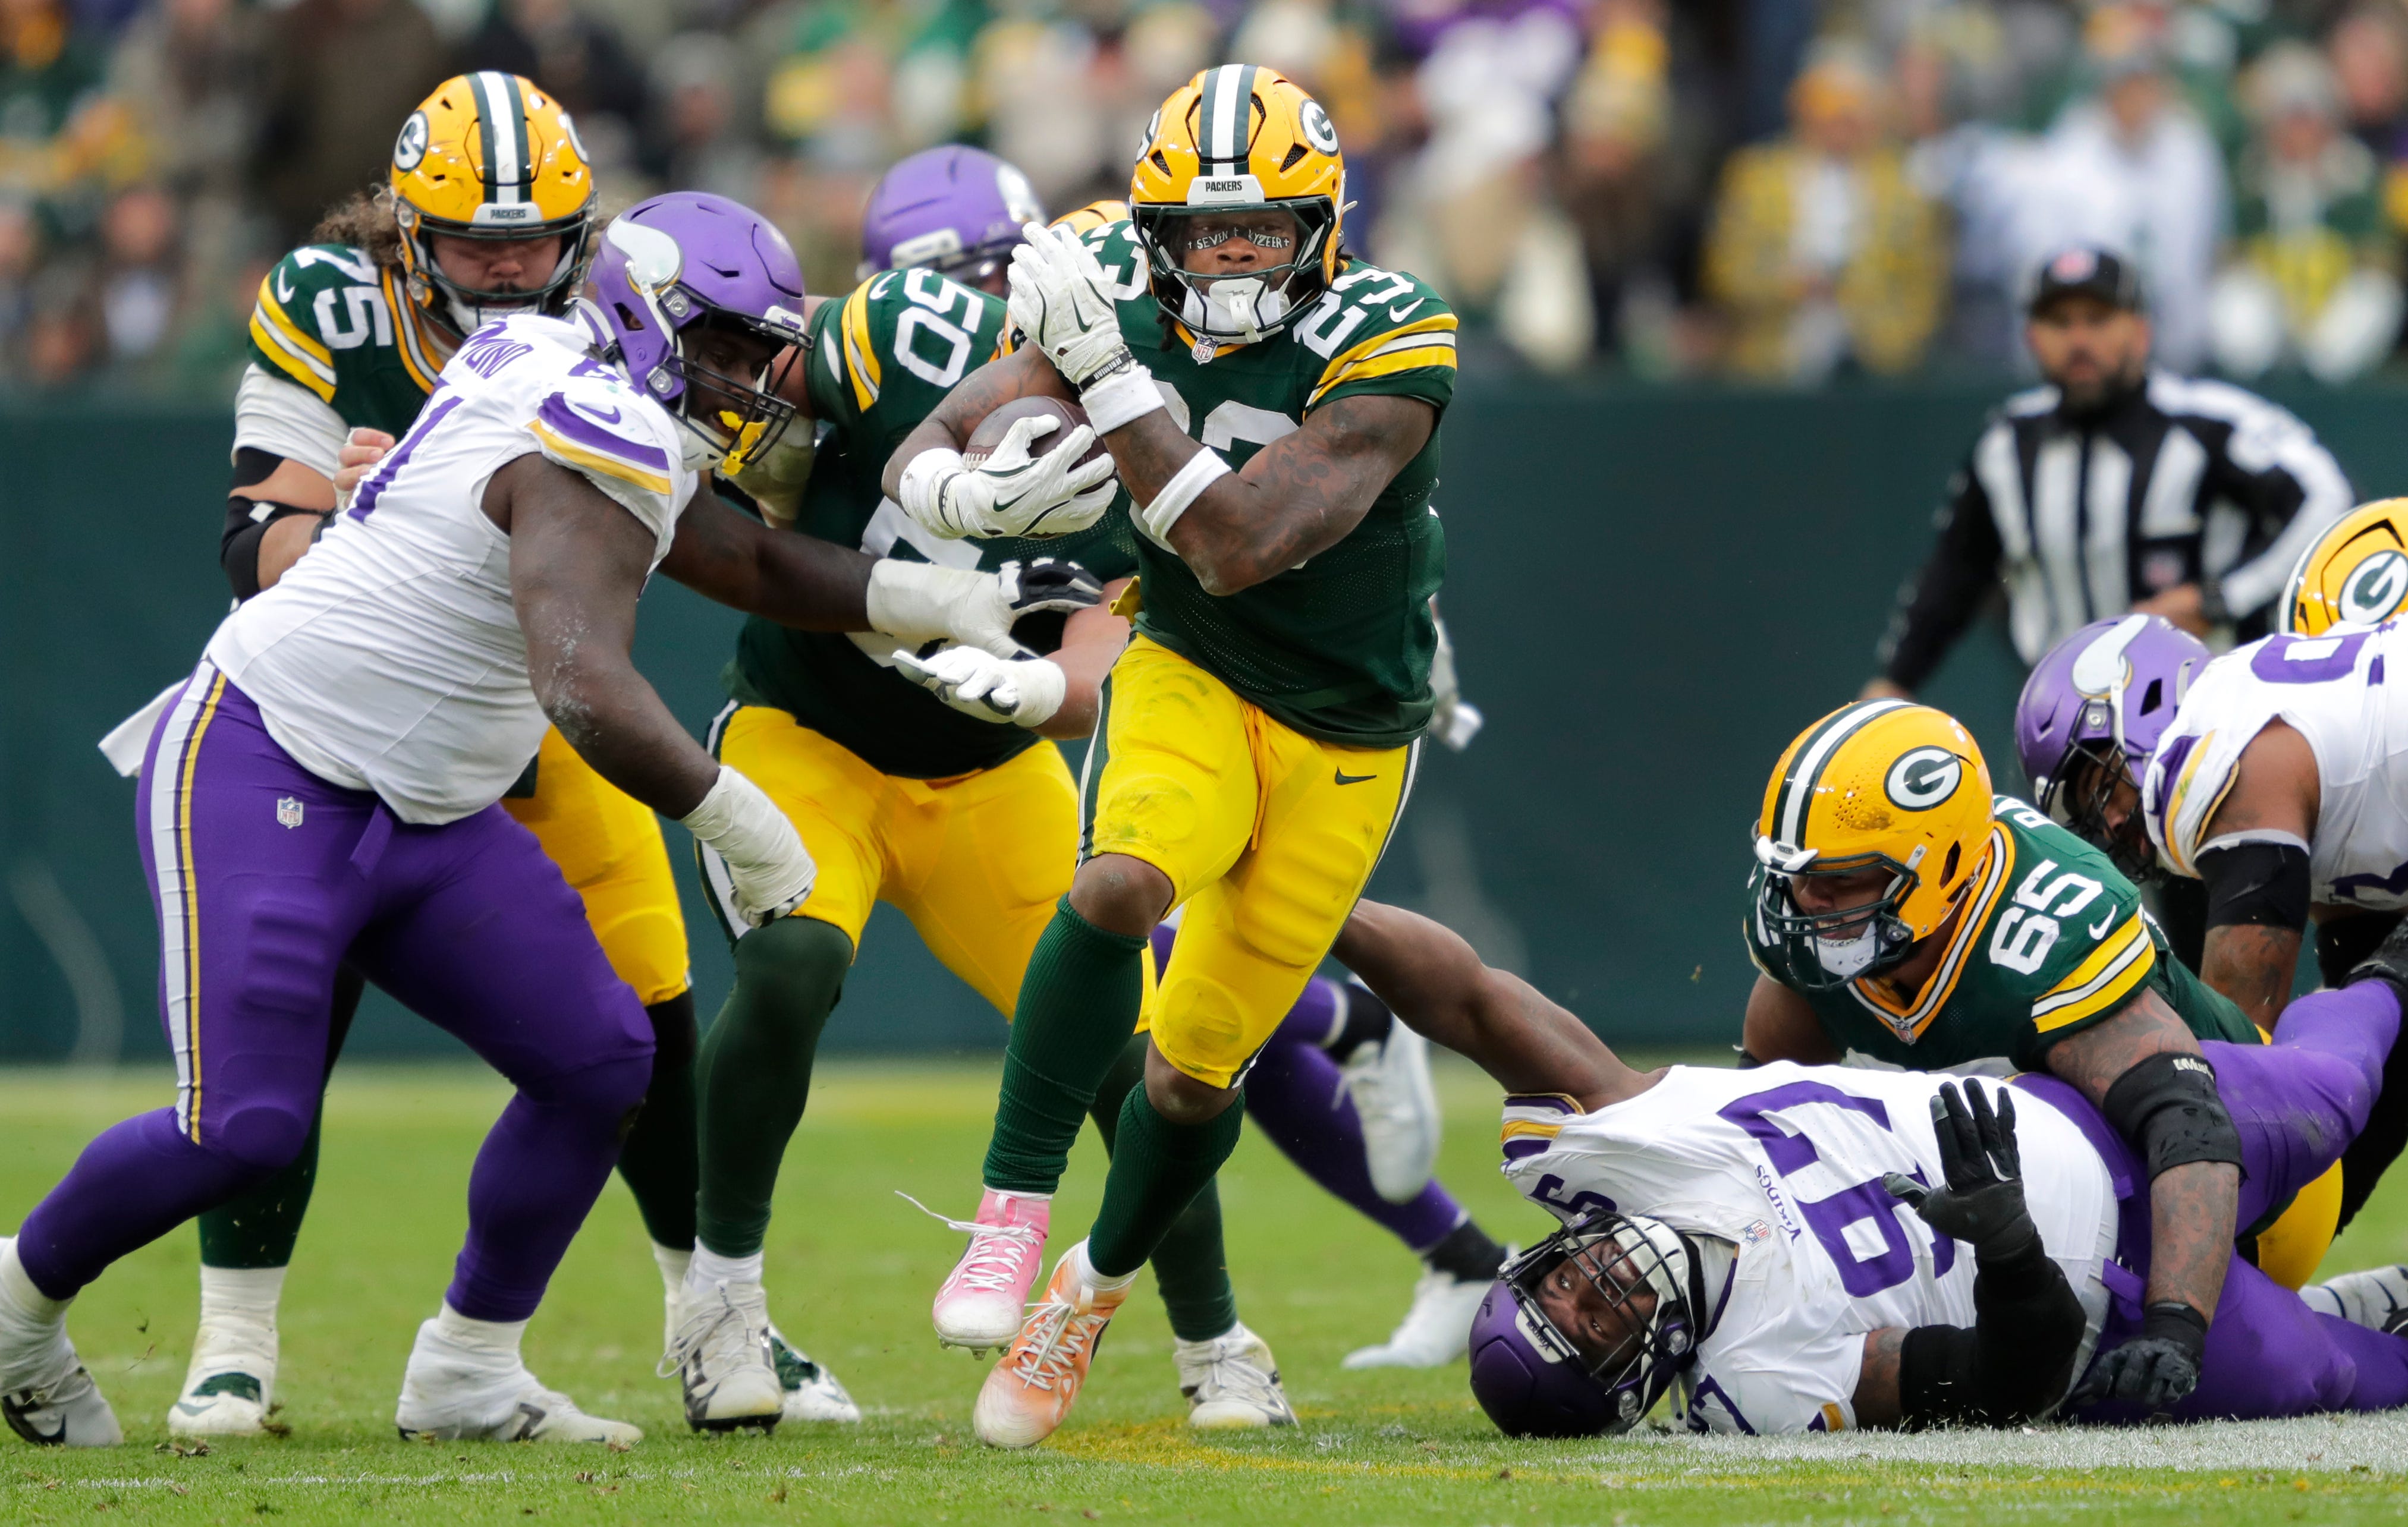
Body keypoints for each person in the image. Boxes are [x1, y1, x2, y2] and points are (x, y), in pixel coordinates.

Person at [0, 190, 1077, 1449]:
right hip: (272, 757)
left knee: (598, 1064)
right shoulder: (595, 414)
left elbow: (732, 553)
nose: (749, 375)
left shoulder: (588, 368)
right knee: (242, 1128)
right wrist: (741, 819)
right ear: (645, 314)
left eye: (759, 346)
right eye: (724, 343)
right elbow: (587, 686)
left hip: (433, 803)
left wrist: (929, 597)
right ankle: (19, 1306)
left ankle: (467, 1365)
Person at [666, 154, 1505, 1433]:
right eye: (962, 282)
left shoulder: (1157, 379)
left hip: (999, 770)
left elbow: (1124, 635)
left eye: (1011, 272)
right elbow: (760, 420)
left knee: (1145, 1047)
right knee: (795, 965)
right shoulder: (901, 342)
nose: (993, 302)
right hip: (814, 729)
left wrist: (1029, 680)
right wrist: (925, 484)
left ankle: (1222, 1334)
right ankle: (721, 1304)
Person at [143, 73, 735, 1438]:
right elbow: (252, 550)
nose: (511, 266)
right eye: (476, 243)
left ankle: (713, 1318)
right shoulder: (334, 298)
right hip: (348, 716)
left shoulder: (619, 304)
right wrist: (372, 506)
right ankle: (232, 1344)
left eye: (534, 241)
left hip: (539, 704)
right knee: (292, 1033)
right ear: (413, 230)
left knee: (645, 1012)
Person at [884, 65, 1458, 1449]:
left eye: (1258, 229)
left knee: (1195, 1078)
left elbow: (1245, 544)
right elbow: (933, 432)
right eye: (1203, 234)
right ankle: (1009, 1219)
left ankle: (1091, 1287)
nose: (1230, 257)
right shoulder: (1117, 300)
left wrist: (1111, 378)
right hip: (1192, 670)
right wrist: (962, 494)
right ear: (1157, 234)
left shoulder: (1394, 330)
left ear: (1320, 227)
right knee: (1117, 884)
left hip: (1349, 727)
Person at [1324, 898, 2408, 1436]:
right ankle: (2350, 1311)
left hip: (2080, 1121)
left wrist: (1317, 908)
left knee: (2334, 1083)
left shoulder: (1625, 1146)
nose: (1593, 1285)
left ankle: (2394, 956)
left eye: (1557, 1282)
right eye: (1592, 1324)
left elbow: (1465, 995)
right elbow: (2004, 1382)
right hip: (2102, 1326)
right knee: (2344, 1378)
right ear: (1635, 1377)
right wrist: (2012, 1253)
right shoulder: (1758, 1385)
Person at [1738, 698, 2272, 1413]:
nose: (1809, 899)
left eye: (1843, 877)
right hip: (2073, 1195)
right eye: (1799, 873)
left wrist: (2176, 1320)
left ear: (1945, 864)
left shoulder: (2040, 933)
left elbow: (2189, 1118)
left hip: (2244, 1151)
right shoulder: (1815, 939)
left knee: (2250, 1352)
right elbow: (1761, 1109)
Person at [1866, 245, 2353, 702]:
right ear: (2032, 337)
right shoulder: (2005, 444)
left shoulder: (2208, 425)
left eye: (2098, 320)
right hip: (2062, 728)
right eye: (2059, 322)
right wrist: (1894, 683)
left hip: (2205, 716)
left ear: (2140, 331)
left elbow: (2328, 498)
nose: (2079, 341)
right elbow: (1953, 575)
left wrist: (2219, 600)